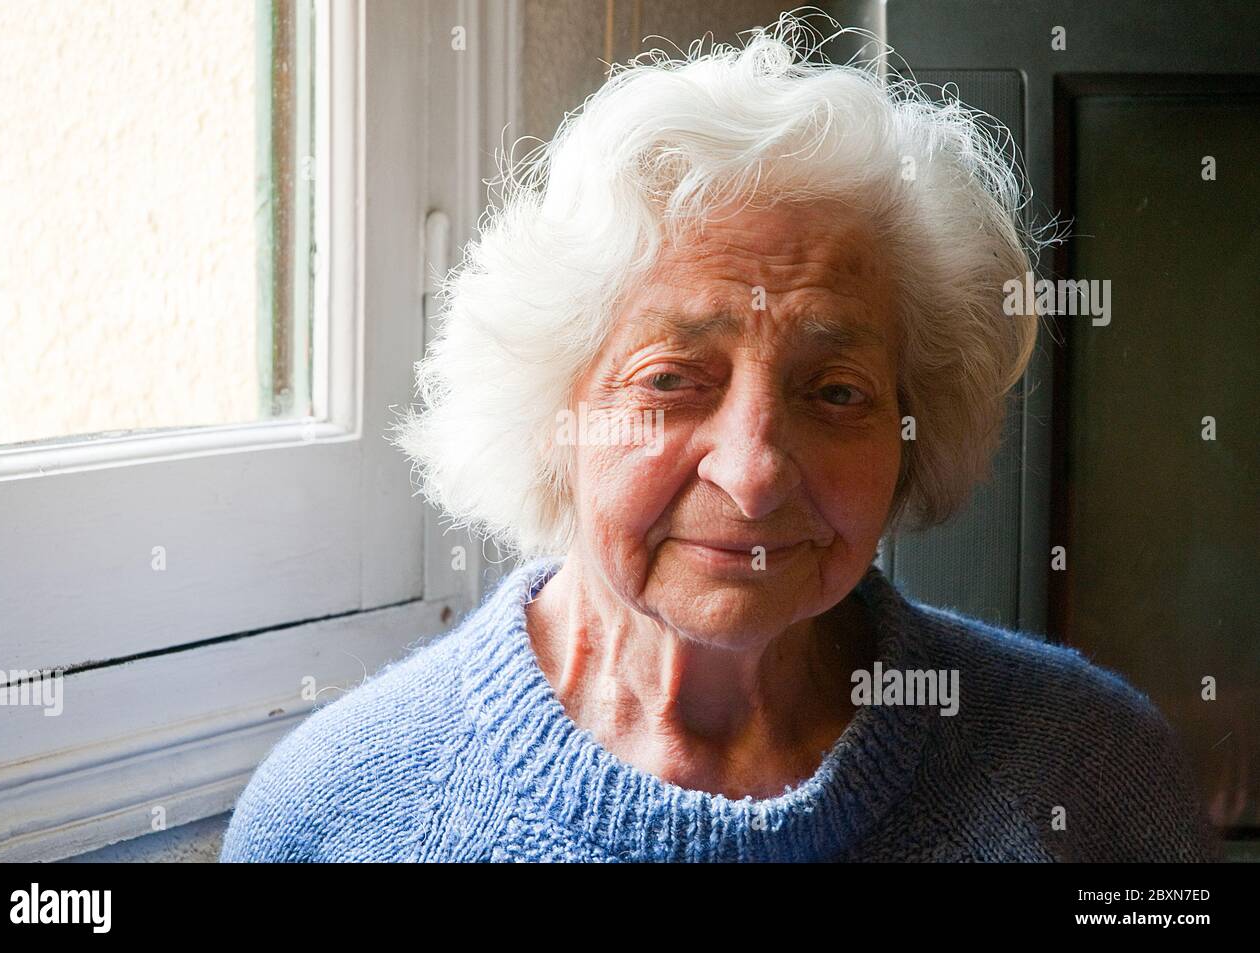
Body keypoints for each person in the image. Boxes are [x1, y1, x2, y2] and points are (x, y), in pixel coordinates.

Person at [220, 14, 1219, 862]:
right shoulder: (333, 815)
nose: (750, 474)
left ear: (914, 434)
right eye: (670, 381)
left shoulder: (1090, 776)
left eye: (835, 392)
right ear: (549, 410)